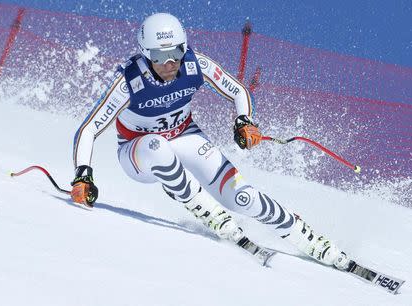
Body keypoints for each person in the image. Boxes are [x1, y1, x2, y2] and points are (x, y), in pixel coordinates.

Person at [71, 13, 351, 270]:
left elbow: (237, 90)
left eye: (176, 52)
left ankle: (303, 234)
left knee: (241, 196)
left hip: (185, 136)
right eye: (159, 56)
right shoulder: (129, 81)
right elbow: (89, 129)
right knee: (157, 146)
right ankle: (208, 211)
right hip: (139, 153)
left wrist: (244, 121)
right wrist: (82, 175)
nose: (170, 63)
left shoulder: (195, 64)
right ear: (145, 55)